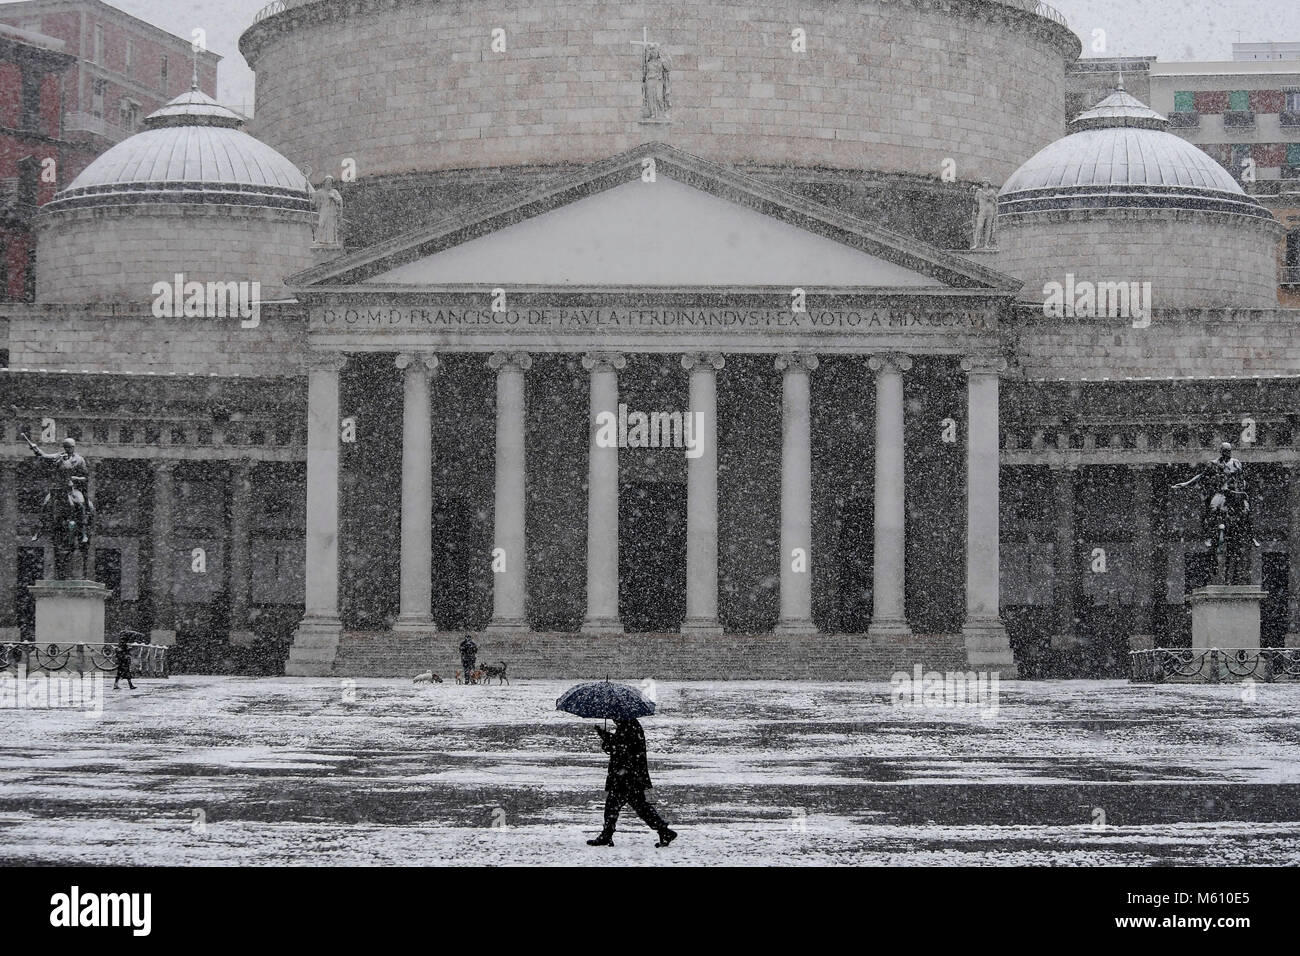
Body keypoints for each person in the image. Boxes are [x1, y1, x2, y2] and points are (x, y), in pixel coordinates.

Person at [587, 718, 677, 848]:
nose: (613, 719)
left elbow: (627, 749)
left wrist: (623, 764)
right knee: (638, 806)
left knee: (615, 805)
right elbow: (620, 745)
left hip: (626, 776)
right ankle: (664, 831)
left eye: (614, 716)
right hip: (630, 776)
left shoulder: (629, 726)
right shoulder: (628, 725)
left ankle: (607, 835)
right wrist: (606, 737)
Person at [1171, 441, 1257, 550]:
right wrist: (1186, 483)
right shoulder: (1214, 463)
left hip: (1234, 493)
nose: (1228, 453)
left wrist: (1241, 489)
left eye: (1229, 451)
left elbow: (1241, 479)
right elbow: (1201, 476)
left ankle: (1251, 535)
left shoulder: (1236, 462)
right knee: (1213, 509)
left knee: (1246, 510)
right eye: (1225, 451)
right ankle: (1210, 536)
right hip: (1221, 493)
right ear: (1221, 452)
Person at [24, 435, 91, 544]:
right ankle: (39, 529)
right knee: (45, 504)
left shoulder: (79, 460)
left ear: (74, 447)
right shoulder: (58, 456)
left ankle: (83, 531)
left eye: (70, 448)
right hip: (58, 487)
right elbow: (43, 456)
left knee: (80, 503)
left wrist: (75, 478)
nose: (67, 450)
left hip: (71, 488)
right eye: (66, 447)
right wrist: (35, 449)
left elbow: (85, 477)